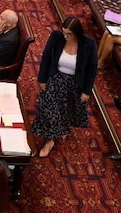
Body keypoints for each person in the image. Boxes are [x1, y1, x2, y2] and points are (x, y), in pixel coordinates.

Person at [33, 17, 98, 158]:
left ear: (77, 33)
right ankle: (49, 140)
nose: (66, 37)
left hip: (75, 83)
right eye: (64, 33)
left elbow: (92, 69)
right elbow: (46, 58)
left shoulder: (88, 44)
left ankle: (62, 128)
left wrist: (87, 91)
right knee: (50, 109)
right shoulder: (56, 37)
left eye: (69, 34)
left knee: (66, 110)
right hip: (56, 78)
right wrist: (42, 79)